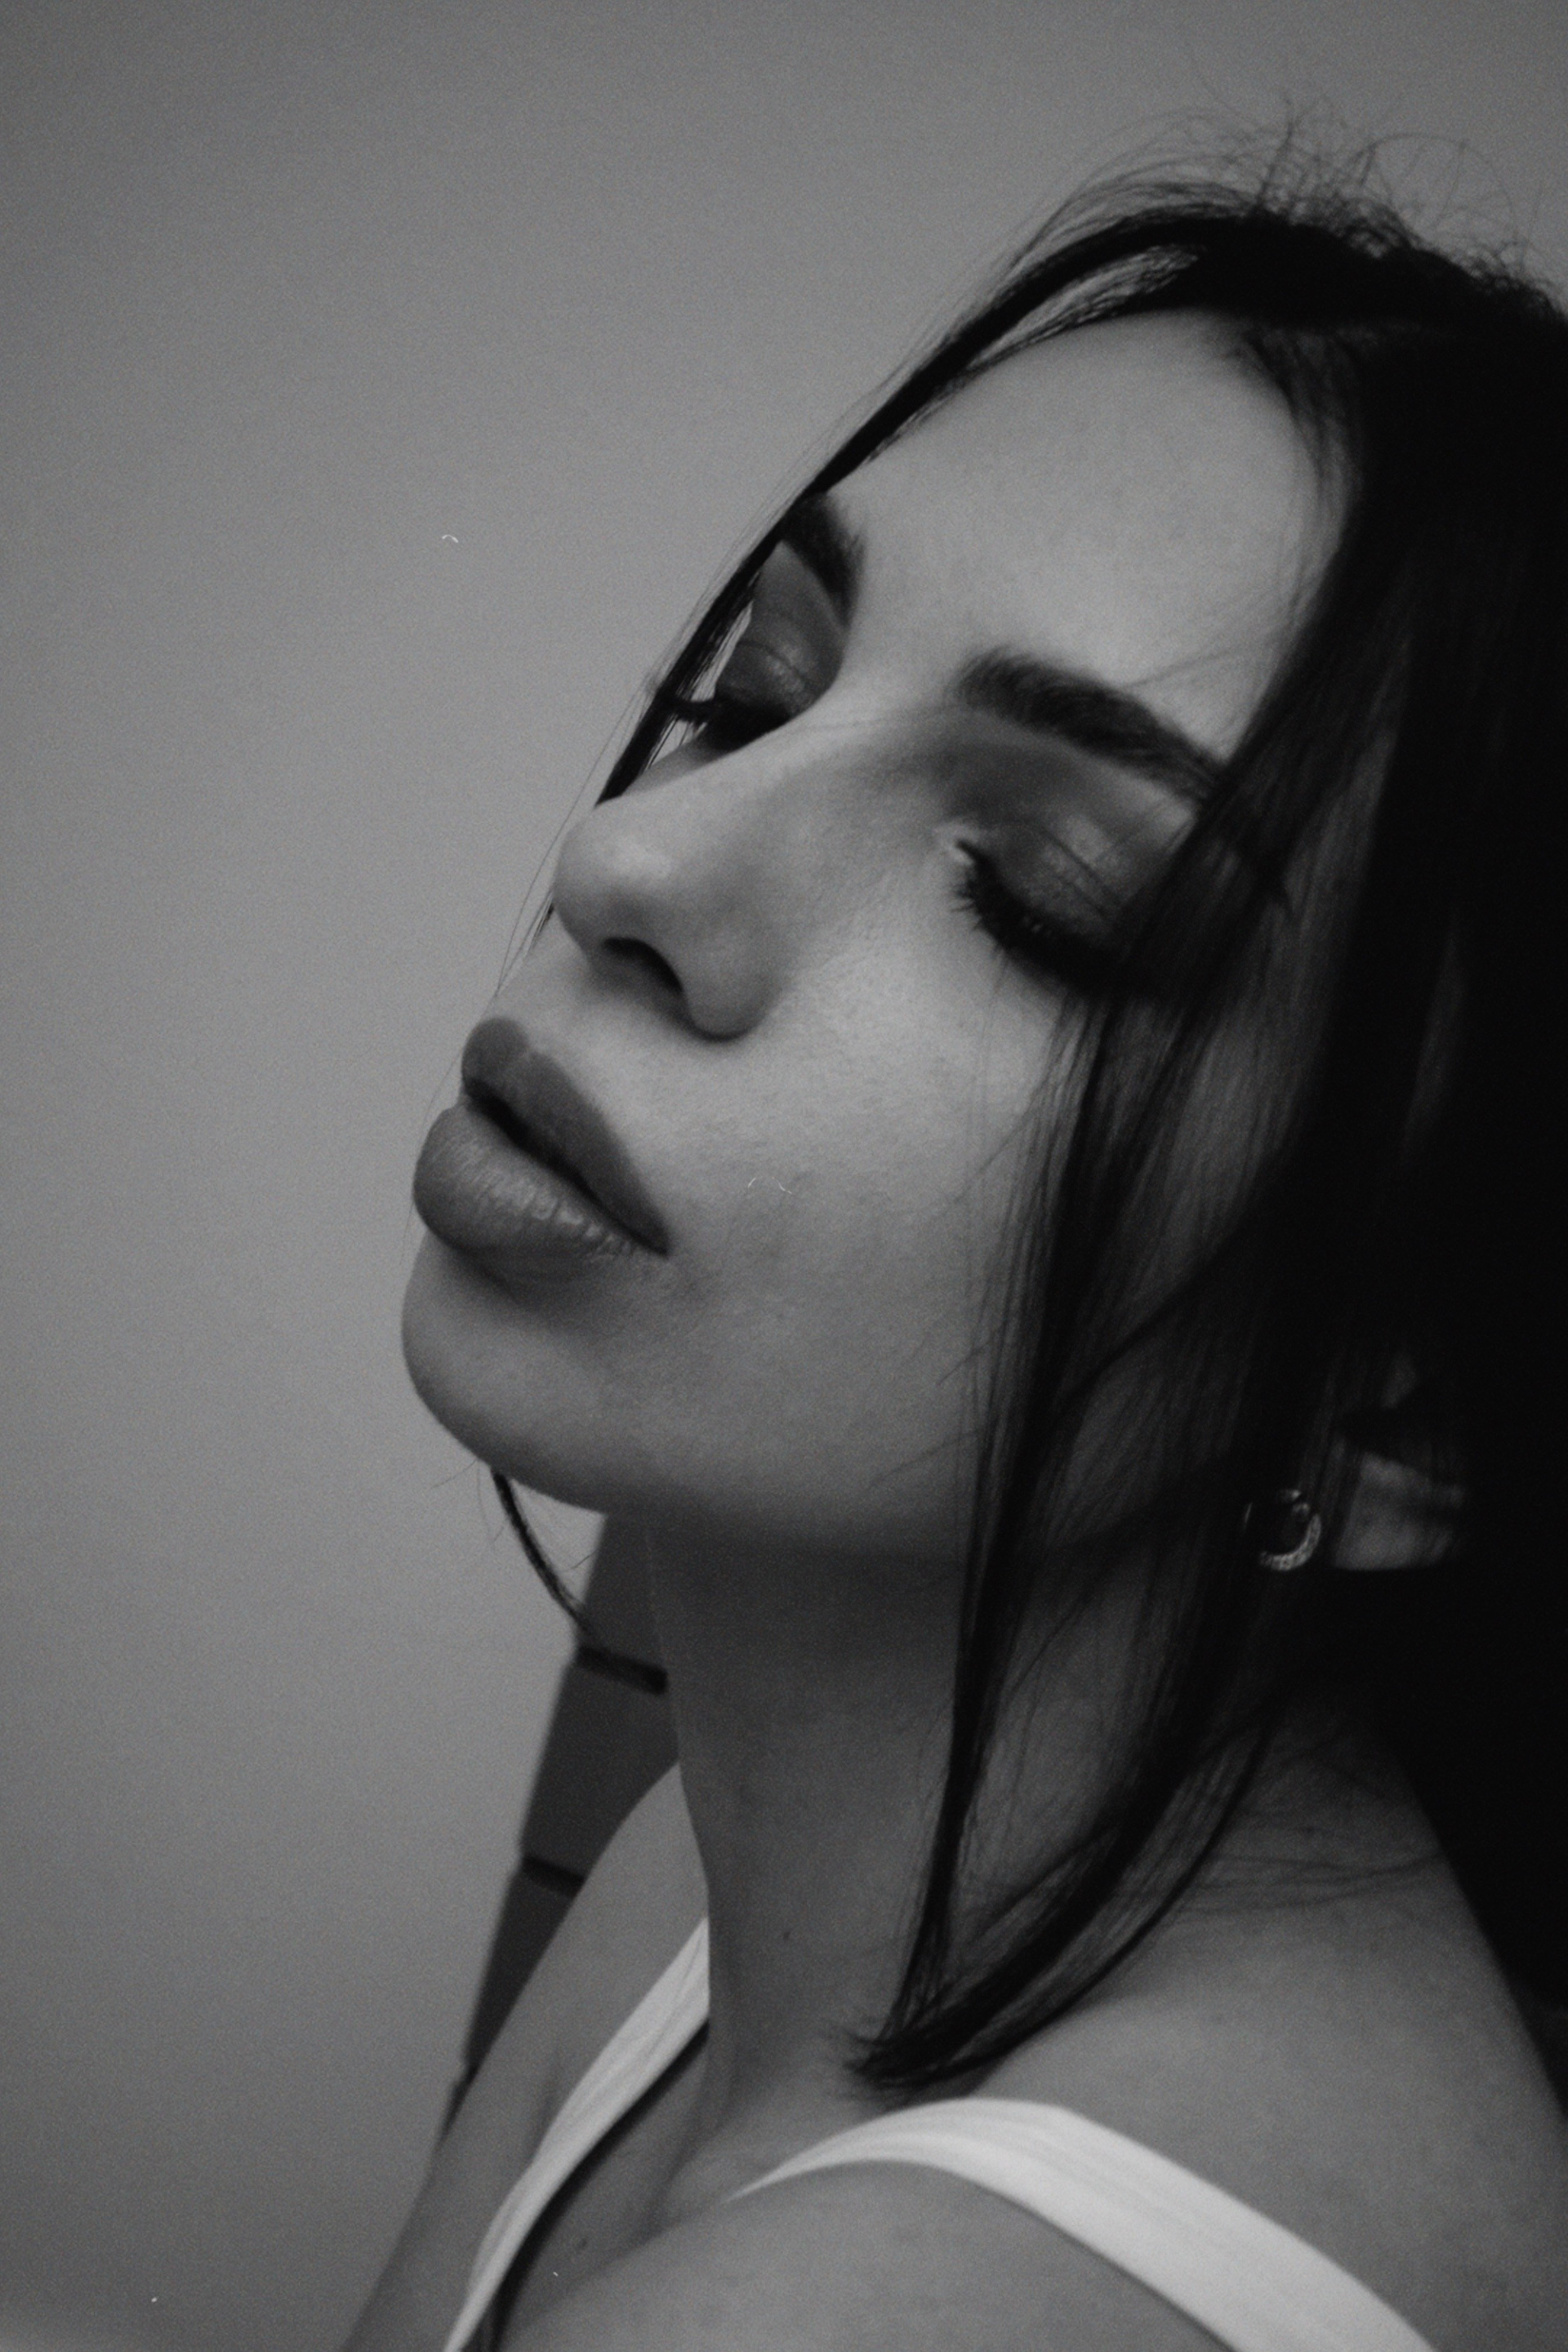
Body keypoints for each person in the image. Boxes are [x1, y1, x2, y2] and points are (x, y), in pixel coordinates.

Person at [351, 152, 1568, 2351]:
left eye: (1035, 896)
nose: (631, 859)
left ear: (1399, 1405)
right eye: (757, 692)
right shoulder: (732, 1883)